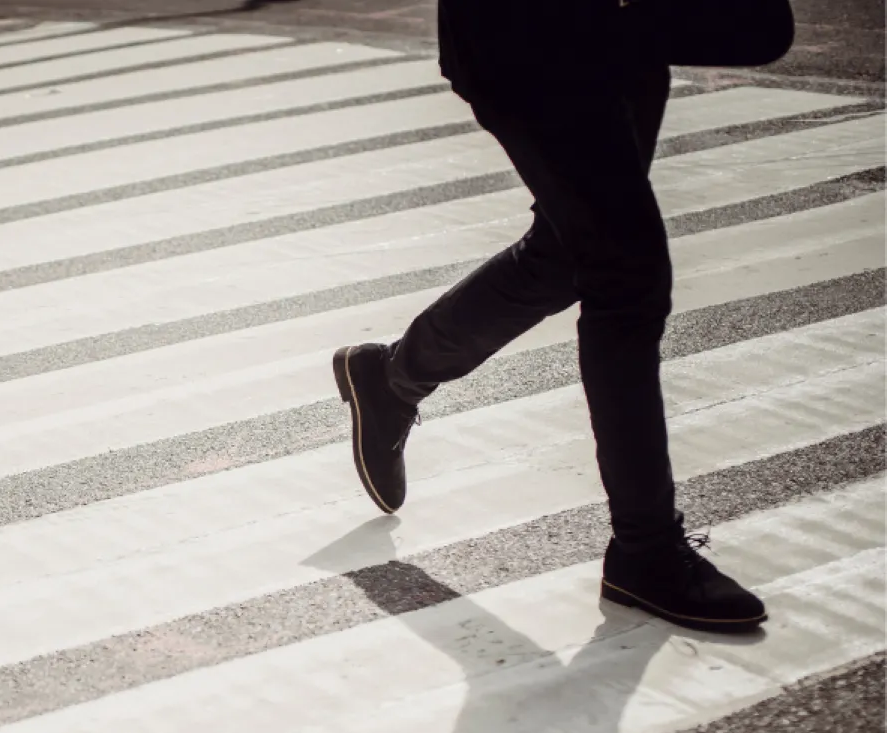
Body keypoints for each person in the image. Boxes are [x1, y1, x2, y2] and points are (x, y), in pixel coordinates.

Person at [332, 0, 794, 635]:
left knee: (564, 257)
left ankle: (392, 379)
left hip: (623, 39)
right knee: (625, 277)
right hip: (532, 36)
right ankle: (645, 548)